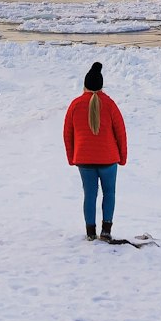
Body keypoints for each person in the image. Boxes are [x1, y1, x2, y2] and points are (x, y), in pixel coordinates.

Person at [63, 61, 127, 241]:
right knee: (110, 193)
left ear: (85, 85)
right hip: (108, 160)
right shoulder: (109, 104)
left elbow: (68, 134)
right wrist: (122, 158)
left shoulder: (75, 105)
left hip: (83, 159)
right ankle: (106, 231)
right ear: (101, 86)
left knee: (89, 195)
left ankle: (90, 233)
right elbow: (121, 133)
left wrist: (72, 158)